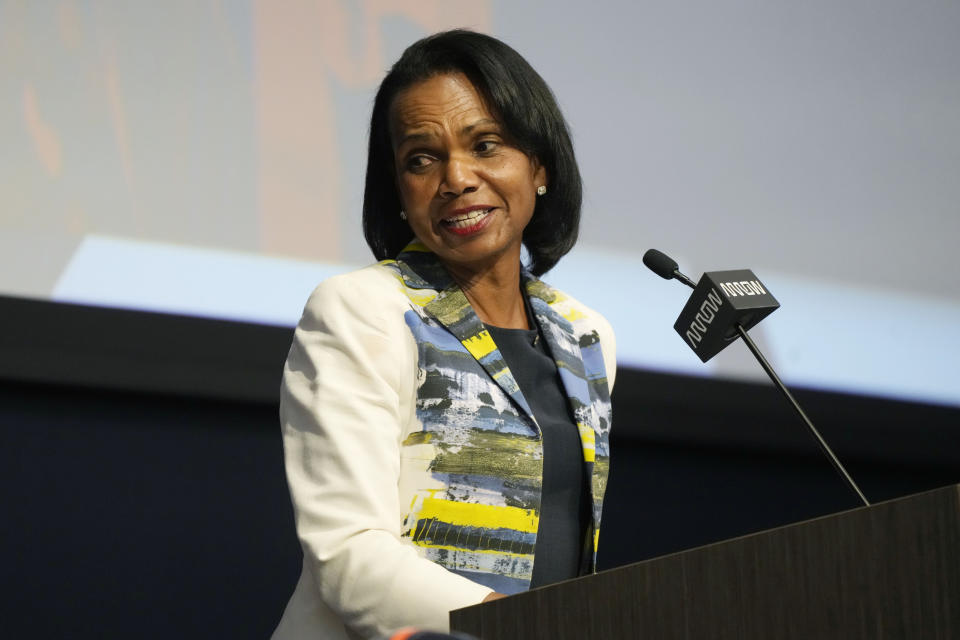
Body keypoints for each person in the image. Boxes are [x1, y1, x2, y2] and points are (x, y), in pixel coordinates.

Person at [271, 29, 616, 640]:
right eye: (421, 159)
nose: (456, 178)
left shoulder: (586, 337)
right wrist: (519, 627)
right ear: (400, 193)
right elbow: (349, 553)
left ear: (539, 165)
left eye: (486, 145)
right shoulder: (363, 310)